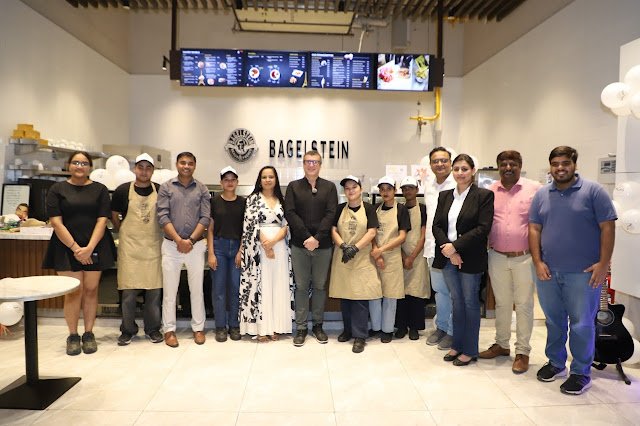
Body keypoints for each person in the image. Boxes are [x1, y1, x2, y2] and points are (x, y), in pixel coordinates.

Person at [529, 146, 616, 395]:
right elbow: (534, 228)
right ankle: (556, 363)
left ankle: (580, 372)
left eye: (565, 163)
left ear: (574, 165)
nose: (560, 168)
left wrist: (603, 264)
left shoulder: (594, 191)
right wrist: (537, 261)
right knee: (554, 321)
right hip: (548, 272)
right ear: (550, 166)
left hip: (583, 274)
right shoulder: (542, 194)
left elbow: (608, 227)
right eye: (555, 163)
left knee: (582, 324)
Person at [43, 151, 116, 356]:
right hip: (66, 247)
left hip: (95, 245)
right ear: (69, 165)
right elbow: (56, 222)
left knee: (91, 290)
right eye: (76, 162)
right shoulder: (57, 189)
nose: (79, 166)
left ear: (90, 167)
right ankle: (73, 335)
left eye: (84, 163)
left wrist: (89, 248)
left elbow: (102, 220)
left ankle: (89, 334)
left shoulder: (100, 190)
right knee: (74, 292)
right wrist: (76, 248)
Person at [479, 151, 541, 373]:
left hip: (525, 257)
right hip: (496, 256)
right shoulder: (489, 191)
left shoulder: (535, 189)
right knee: (502, 303)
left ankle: (522, 351)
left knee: (524, 305)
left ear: (520, 166)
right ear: (498, 167)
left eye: (512, 163)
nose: (507, 167)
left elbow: (543, 221)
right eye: (503, 164)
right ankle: (502, 344)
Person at [432, 154, 494, 366]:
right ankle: (457, 344)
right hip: (448, 257)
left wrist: (456, 247)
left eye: (464, 169)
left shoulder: (484, 196)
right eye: (456, 169)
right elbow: (436, 226)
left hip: (471, 258)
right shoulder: (445, 196)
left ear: (473, 171)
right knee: (457, 302)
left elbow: (483, 228)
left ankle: (470, 349)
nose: (460, 173)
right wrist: (449, 250)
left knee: (469, 303)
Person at [157, 152, 211, 348]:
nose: (186, 166)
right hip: (171, 245)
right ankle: (169, 330)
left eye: (190, 163)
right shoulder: (166, 187)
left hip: (196, 246)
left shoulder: (202, 189)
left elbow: (205, 218)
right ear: (177, 164)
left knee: (196, 290)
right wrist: (179, 240)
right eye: (183, 163)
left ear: (195, 166)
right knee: (170, 291)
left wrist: (190, 240)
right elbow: (163, 216)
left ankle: (198, 328)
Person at [285, 150, 338, 347]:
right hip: (300, 245)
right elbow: (290, 213)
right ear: (303, 164)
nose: (311, 165)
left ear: (320, 165)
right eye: (308, 161)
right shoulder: (293, 187)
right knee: (300, 287)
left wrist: (317, 238)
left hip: (323, 246)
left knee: (319, 286)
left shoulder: (329, 187)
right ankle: (301, 328)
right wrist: (307, 237)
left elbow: (331, 213)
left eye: (315, 162)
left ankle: (317, 325)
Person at [111, 153, 163, 346]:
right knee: (128, 293)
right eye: (140, 167)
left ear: (153, 171)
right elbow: (114, 215)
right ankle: (128, 329)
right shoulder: (123, 190)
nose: (144, 171)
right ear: (135, 169)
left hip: (153, 247)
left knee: (154, 293)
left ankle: (153, 329)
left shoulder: (160, 190)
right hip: (130, 249)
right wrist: (123, 230)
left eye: (148, 168)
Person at [239, 166, 293, 341]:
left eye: (271, 177)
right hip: (258, 249)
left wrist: (274, 242)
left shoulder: (282, 200)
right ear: (259, 180)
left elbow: (287, 225)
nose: (268, 180)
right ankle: (262, 328)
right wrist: (266, 245)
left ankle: (276, 326)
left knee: (277, 285)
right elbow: (250, 224)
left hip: (280, 248)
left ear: (276, 179)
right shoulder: (252, 199)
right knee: (261, 284)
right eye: (264, 177)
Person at [329, 175, 381, 353]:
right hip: (343, 256)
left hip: (361, 258)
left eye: (354, 187)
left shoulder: (369, 208)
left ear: (361, 189)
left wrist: (355, 248)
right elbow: (333, 230)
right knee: (345, 296)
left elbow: (372, 232)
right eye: (347, 188)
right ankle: (348, 330)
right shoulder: (339, 209)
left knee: (360, 297)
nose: (350, 190)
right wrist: (344, 246)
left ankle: (360, 336)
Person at [423, 147, 456, 350]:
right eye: (436, 161)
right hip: (431, 247)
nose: (440, 164)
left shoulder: (458, 184)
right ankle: (441, 327)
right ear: (430, 164)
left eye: (444, 160)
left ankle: (453, 330)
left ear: (450, 162)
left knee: (453, 292)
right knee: (439, 291)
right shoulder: (429, 185)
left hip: (450, 247)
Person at [207, 166, 246, 343]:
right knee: (219, 289)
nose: (229, 183)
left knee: (235, 288)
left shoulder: (243, 202)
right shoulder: (214, 202)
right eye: (226, 180)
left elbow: (245, 229)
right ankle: (220, 326)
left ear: (237, 182)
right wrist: (211, 253)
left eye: (233, 180)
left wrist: (241, 251)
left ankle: (234, 325)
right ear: (221, 182)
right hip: (219, 247)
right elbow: (210, 229)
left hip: (237, 247)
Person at [369, 176, 410, 343]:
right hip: (374, 256)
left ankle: (387, 330)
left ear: (395, 190)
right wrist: (376, 251)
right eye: (382, 189)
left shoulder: (401, 210)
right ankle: (376, 328)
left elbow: (402, 236)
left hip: (392, 257)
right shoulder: (375, 209)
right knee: (374, 293)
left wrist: (381, 250)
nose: (385, 192)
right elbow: (371, 233)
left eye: (388, 189)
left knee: (390, 295)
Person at [395, 176, 430, 340]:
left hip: (418, 256)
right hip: (400, 255)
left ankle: (415, 327)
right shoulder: (399, 209)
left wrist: (412, 256)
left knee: (416, 293)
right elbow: (395, 235)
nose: (408, 191)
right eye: (405, 188)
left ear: (417, 190)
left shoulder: (423, 209)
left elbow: (423, 235)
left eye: (411, 188)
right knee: (401, 293)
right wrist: (404, 257)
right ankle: (401, 326)